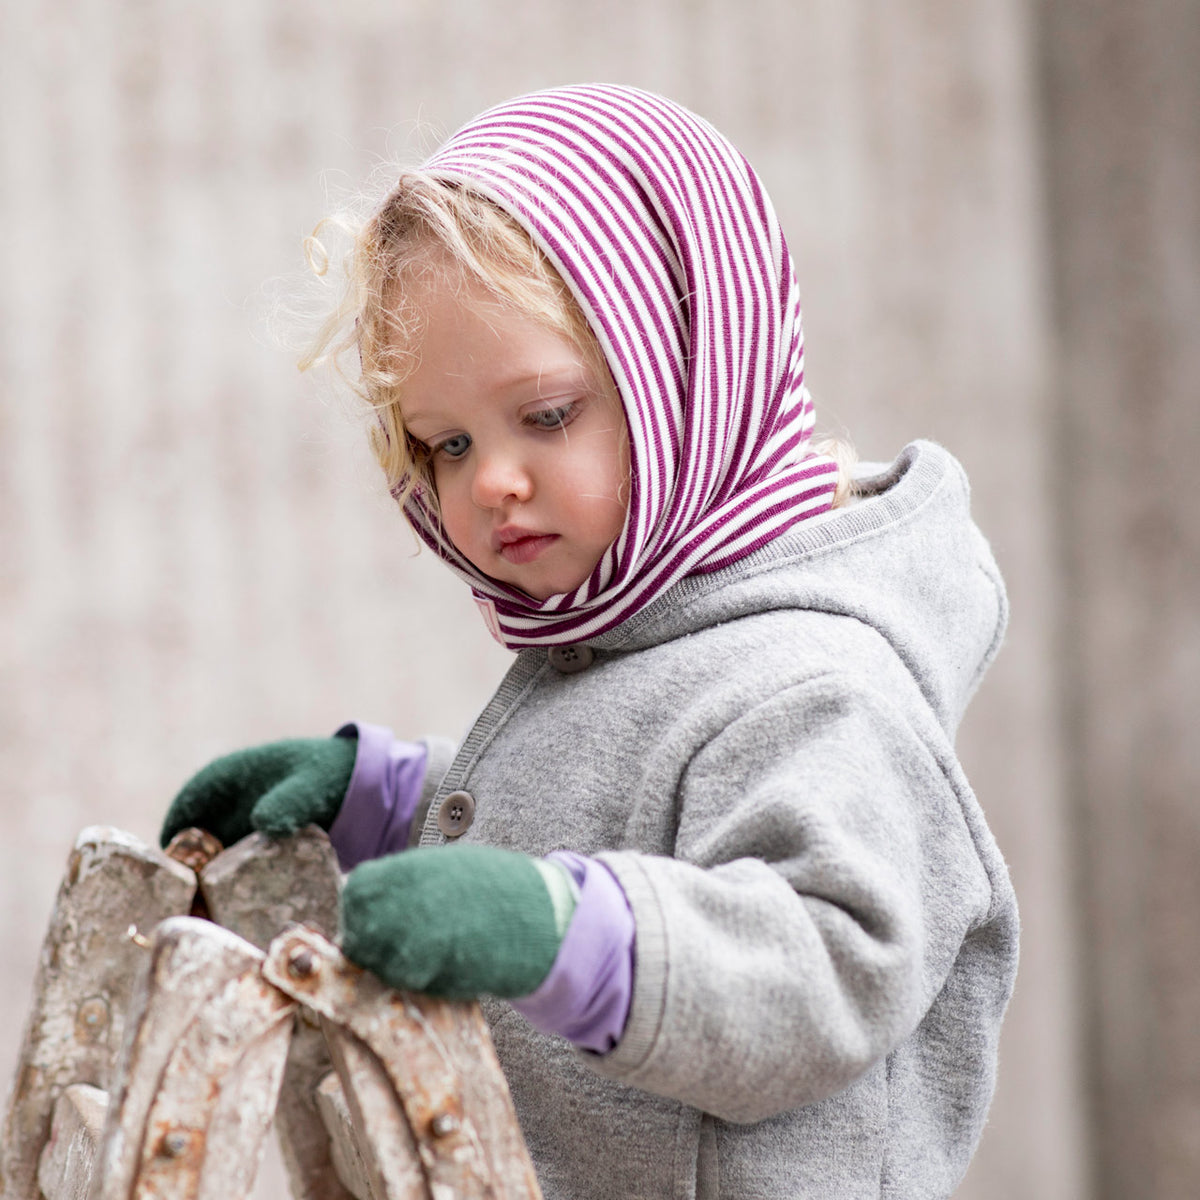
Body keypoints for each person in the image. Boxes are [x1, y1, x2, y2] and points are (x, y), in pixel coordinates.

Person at [162, 84, 1018, 1198]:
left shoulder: (821, 684)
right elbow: (611, 807)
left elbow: (825, 971)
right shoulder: (631, 631)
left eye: (547, 415)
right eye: (447, 443)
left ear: (689, 377)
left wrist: (558, 933)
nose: (492, 482)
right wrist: (383, 800)